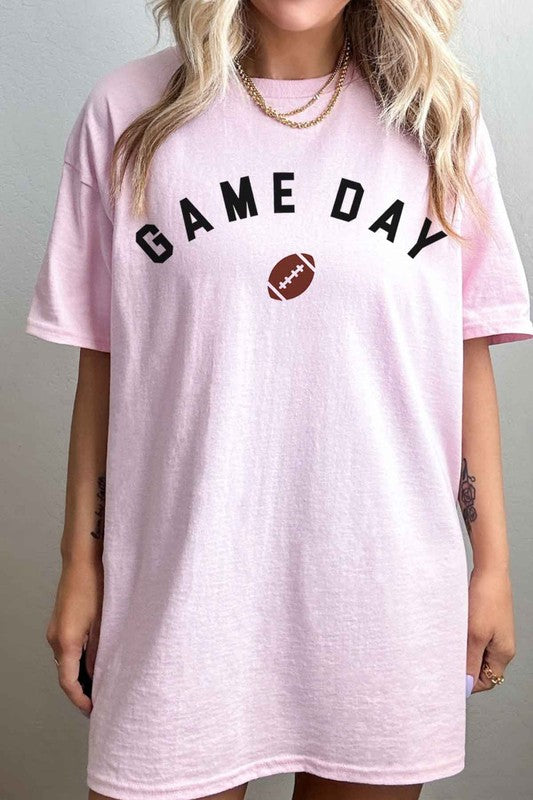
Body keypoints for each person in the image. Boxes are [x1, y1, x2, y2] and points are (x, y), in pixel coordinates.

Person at [25, 1, 533, 799]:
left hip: (383, 587)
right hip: (184, 584)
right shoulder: (128, 113)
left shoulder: (439, 117)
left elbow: (463, 357)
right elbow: (106, 367)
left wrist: (493, 568)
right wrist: (79, 566)